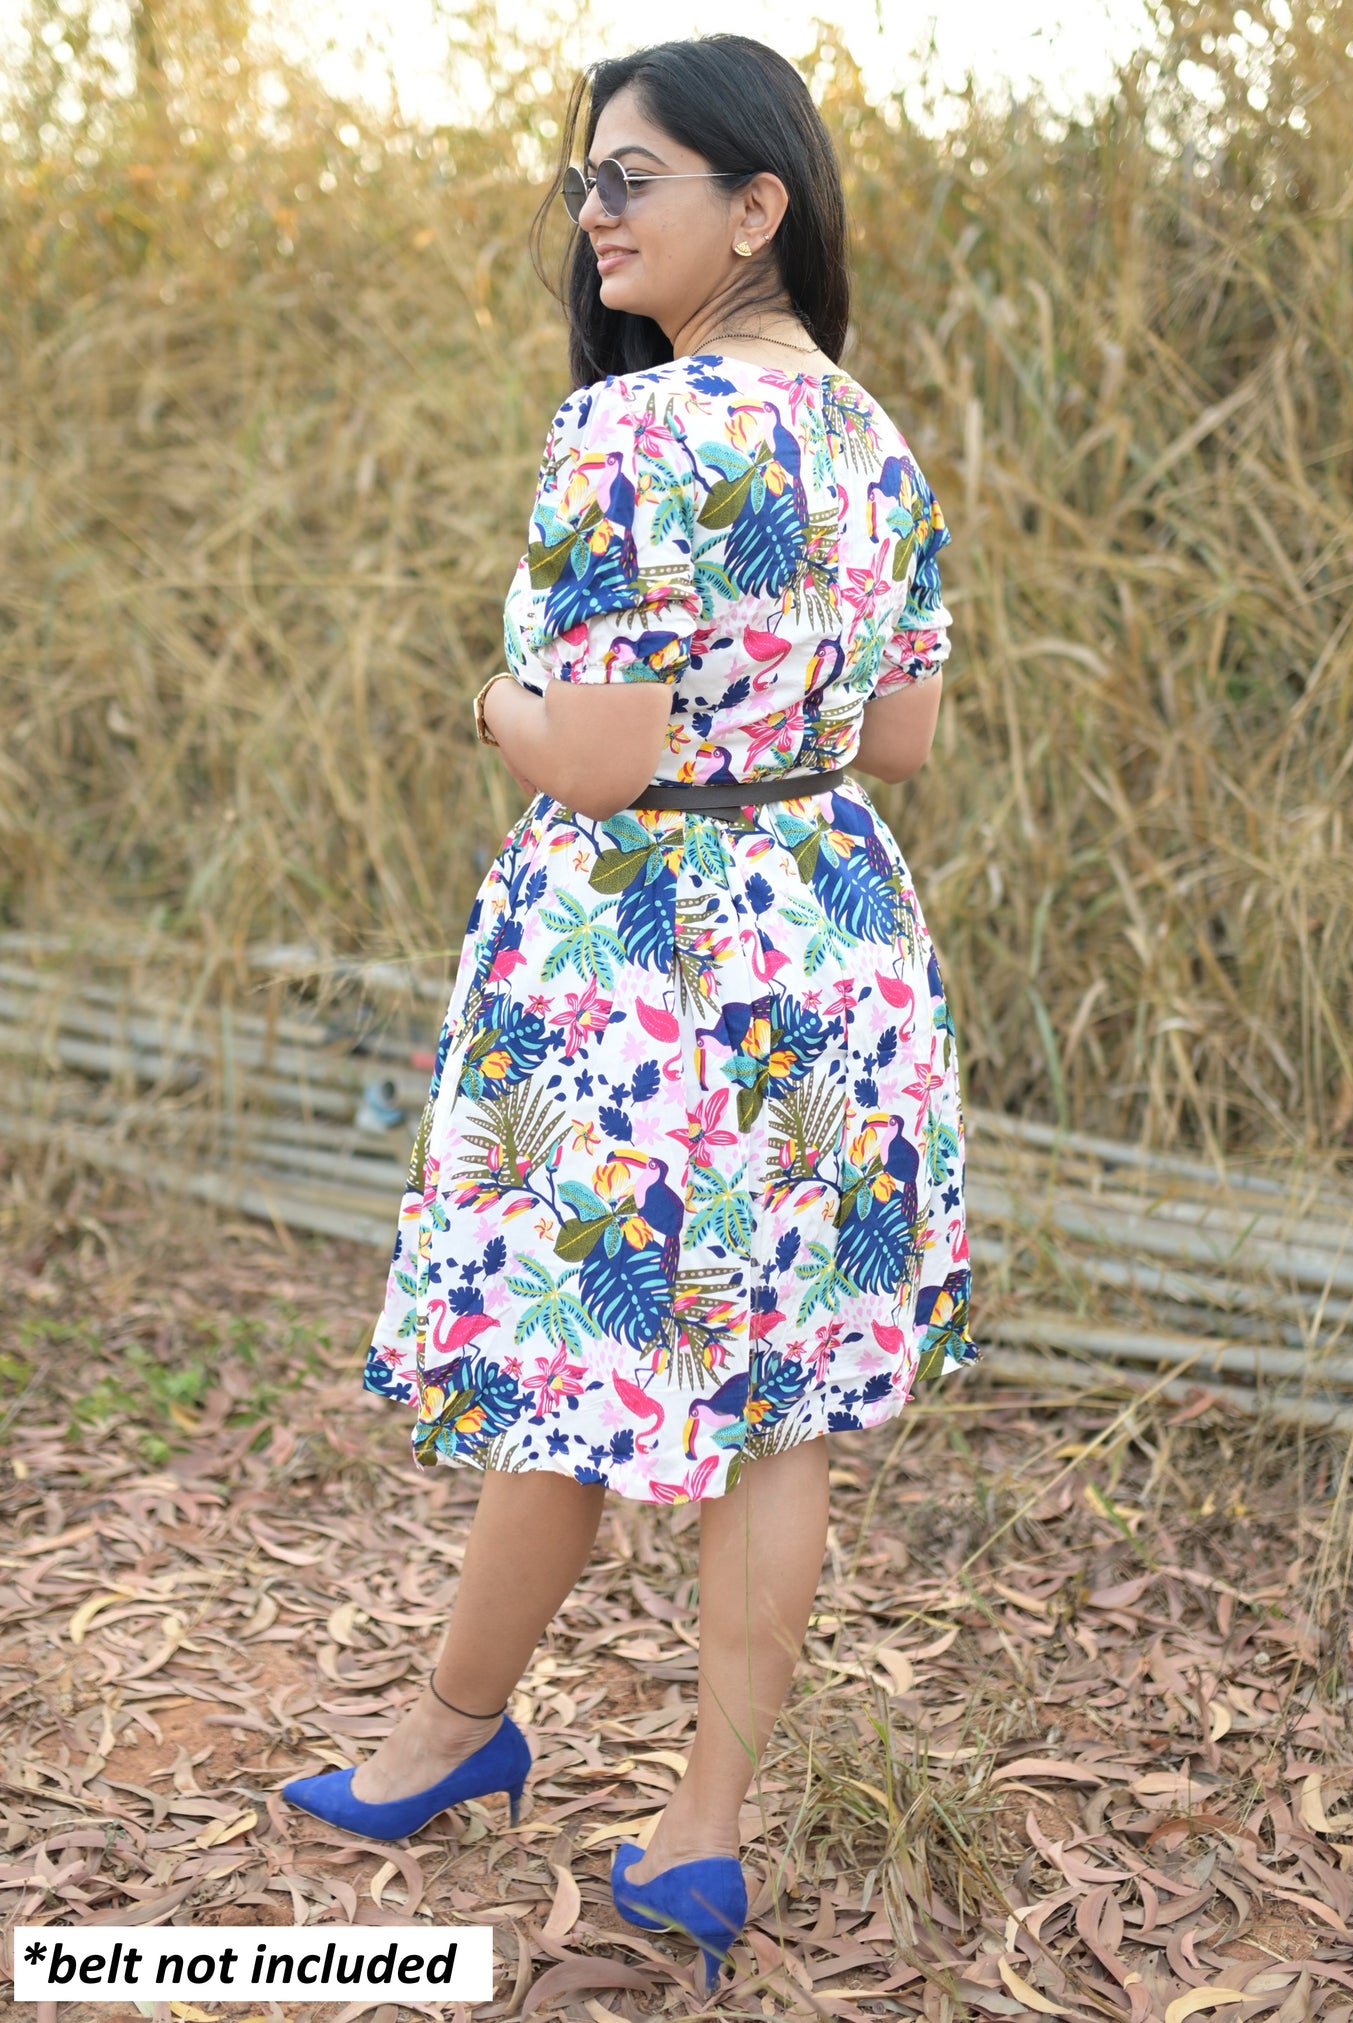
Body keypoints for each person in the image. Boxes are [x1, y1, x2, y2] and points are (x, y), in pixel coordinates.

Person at [284, 32, 975, 1992]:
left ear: (757, 206)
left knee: (580, 1350)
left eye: (630, 178)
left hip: (646, 953)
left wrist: (492, 703)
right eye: (582, 179)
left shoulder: (631, 432)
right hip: (827, 934)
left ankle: (448, 1731)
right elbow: (903, 735)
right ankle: (698, 1834)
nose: (591, 212)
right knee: (777, 1402)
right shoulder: (872, 435)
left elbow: (590, 754)